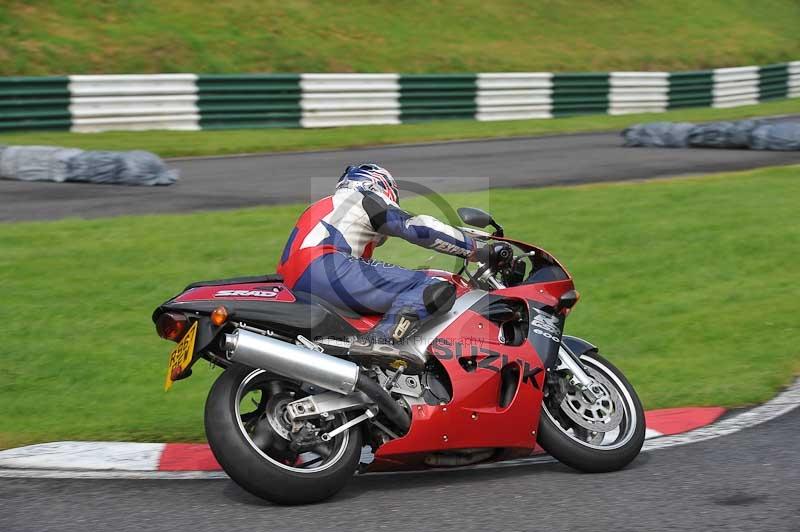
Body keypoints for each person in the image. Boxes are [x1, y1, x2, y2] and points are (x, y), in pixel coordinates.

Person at [277, 163, 486, 371]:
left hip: (290, 284)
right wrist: (475, 249)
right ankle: (379, 340)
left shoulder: (322, 207)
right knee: (432, 286)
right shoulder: (363, 198)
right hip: (325, 267)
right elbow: (417, 228)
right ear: (380, 186)